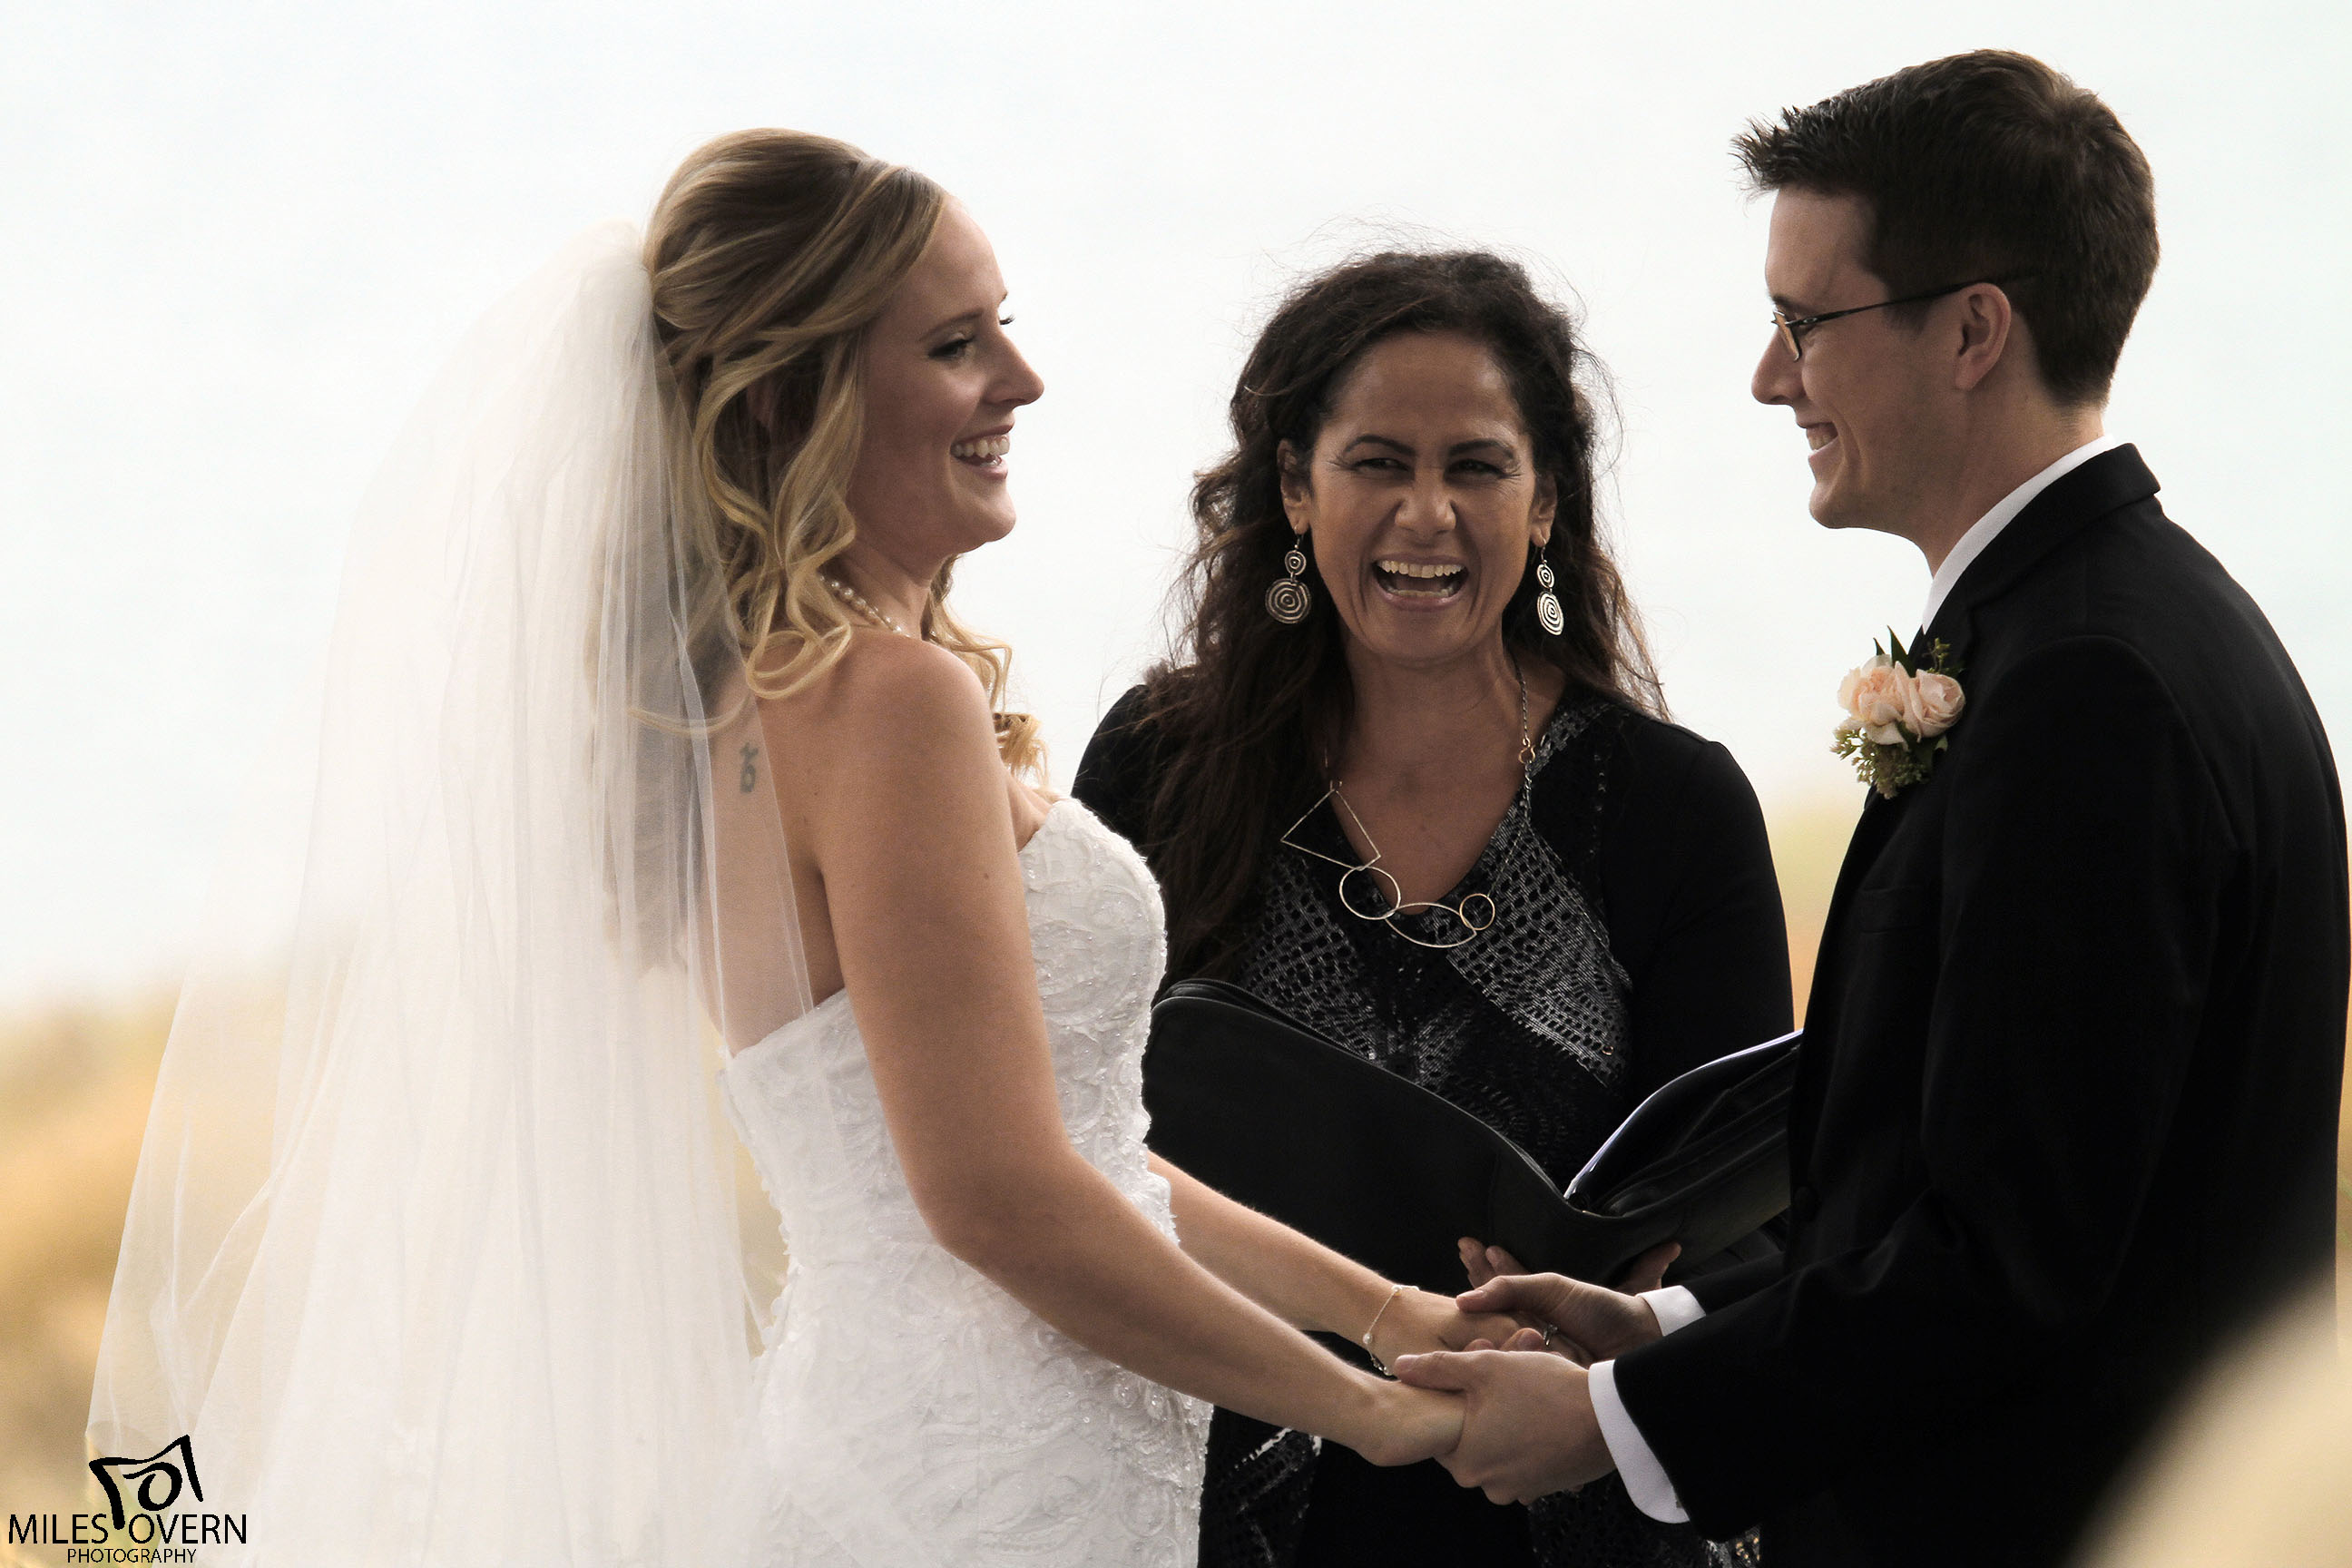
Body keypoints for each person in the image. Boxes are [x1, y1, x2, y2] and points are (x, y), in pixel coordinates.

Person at [89, 131, 1515, 1567]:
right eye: (959, 346)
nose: (1021, 382)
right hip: (983, 1495)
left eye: (1005, 329)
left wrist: (1393, 1319)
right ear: (788, 401)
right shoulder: (889, 706)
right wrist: (1376, 1415)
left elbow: (1096, 1159)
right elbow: (1003, 1203)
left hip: (916, 1455)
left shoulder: (744, 705)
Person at [1392, 50, 2350, 1568]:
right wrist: (1659, 1324)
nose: (1773, 378)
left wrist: (1608, 1425)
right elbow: (1969, 1183)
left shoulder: (2091, 690)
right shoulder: (2117, 628)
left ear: (1974, 331)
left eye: (1803, 324)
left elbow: (2005, 1269)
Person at [1073, 250, 1791, 1568]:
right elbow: (1077, 1139)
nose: (1426, 516)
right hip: (1203, 1498)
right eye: (1375, 463)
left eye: (1475, 466)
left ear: (1545, 499)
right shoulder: (1156, 763)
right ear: (1294, 485)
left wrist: (1618, 1309)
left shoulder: (1671, 804)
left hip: (1554, 1508)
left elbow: (1757, 1217)